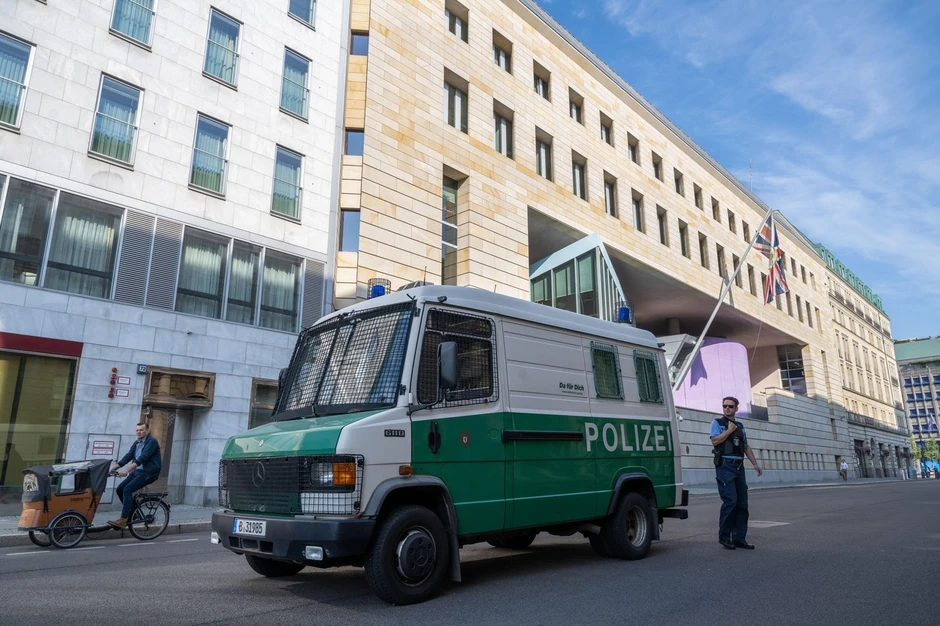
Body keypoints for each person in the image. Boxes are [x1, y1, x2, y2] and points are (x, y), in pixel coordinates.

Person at [710, 396, 762, 550]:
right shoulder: (718, 423)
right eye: (725, 406)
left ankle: (739, 538)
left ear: (736, 409)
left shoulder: (740, 426)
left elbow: (745, 446)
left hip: (739, 466)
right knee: (730, 501)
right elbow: (715, 441)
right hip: (725, 466)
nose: (727, 408)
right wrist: (729, 431)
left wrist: (755, 464)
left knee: (742, 504)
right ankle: (725, 537)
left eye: (730, 406)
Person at [108, 422, 162, 529]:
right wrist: (113, 468)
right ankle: (134, 514)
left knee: (127, 489)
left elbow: (143, 457)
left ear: (147, 431)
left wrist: (126, 471)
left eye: (141, 430)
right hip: (138, 472)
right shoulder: (137, 443)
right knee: (120, 489)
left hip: (148, 473)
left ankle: (123, 519)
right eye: (137, 430)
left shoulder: (152, 441)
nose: (139, 432)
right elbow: (128, 456)